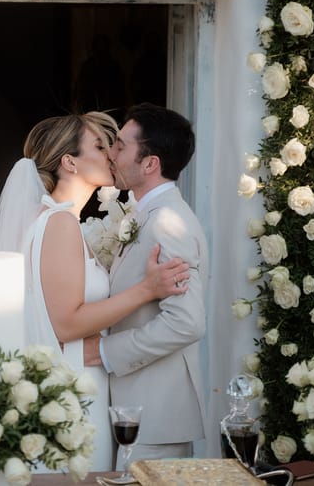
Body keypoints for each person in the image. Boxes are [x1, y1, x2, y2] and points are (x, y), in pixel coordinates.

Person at [0, 111, 190, 472]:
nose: (111, 154)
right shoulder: (59, 222)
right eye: (99, 147)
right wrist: (147, 289)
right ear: (69, 162)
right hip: (75, 391)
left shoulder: (58, 219)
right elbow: (67, 323)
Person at [84, 103, 209, 465]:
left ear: (150, 163)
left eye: (120, 146)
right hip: (135, 412)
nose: (111, 153)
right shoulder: (148, 215)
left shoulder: (169, 222)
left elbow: (186, 321)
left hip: (155, 418)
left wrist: (107, 352)